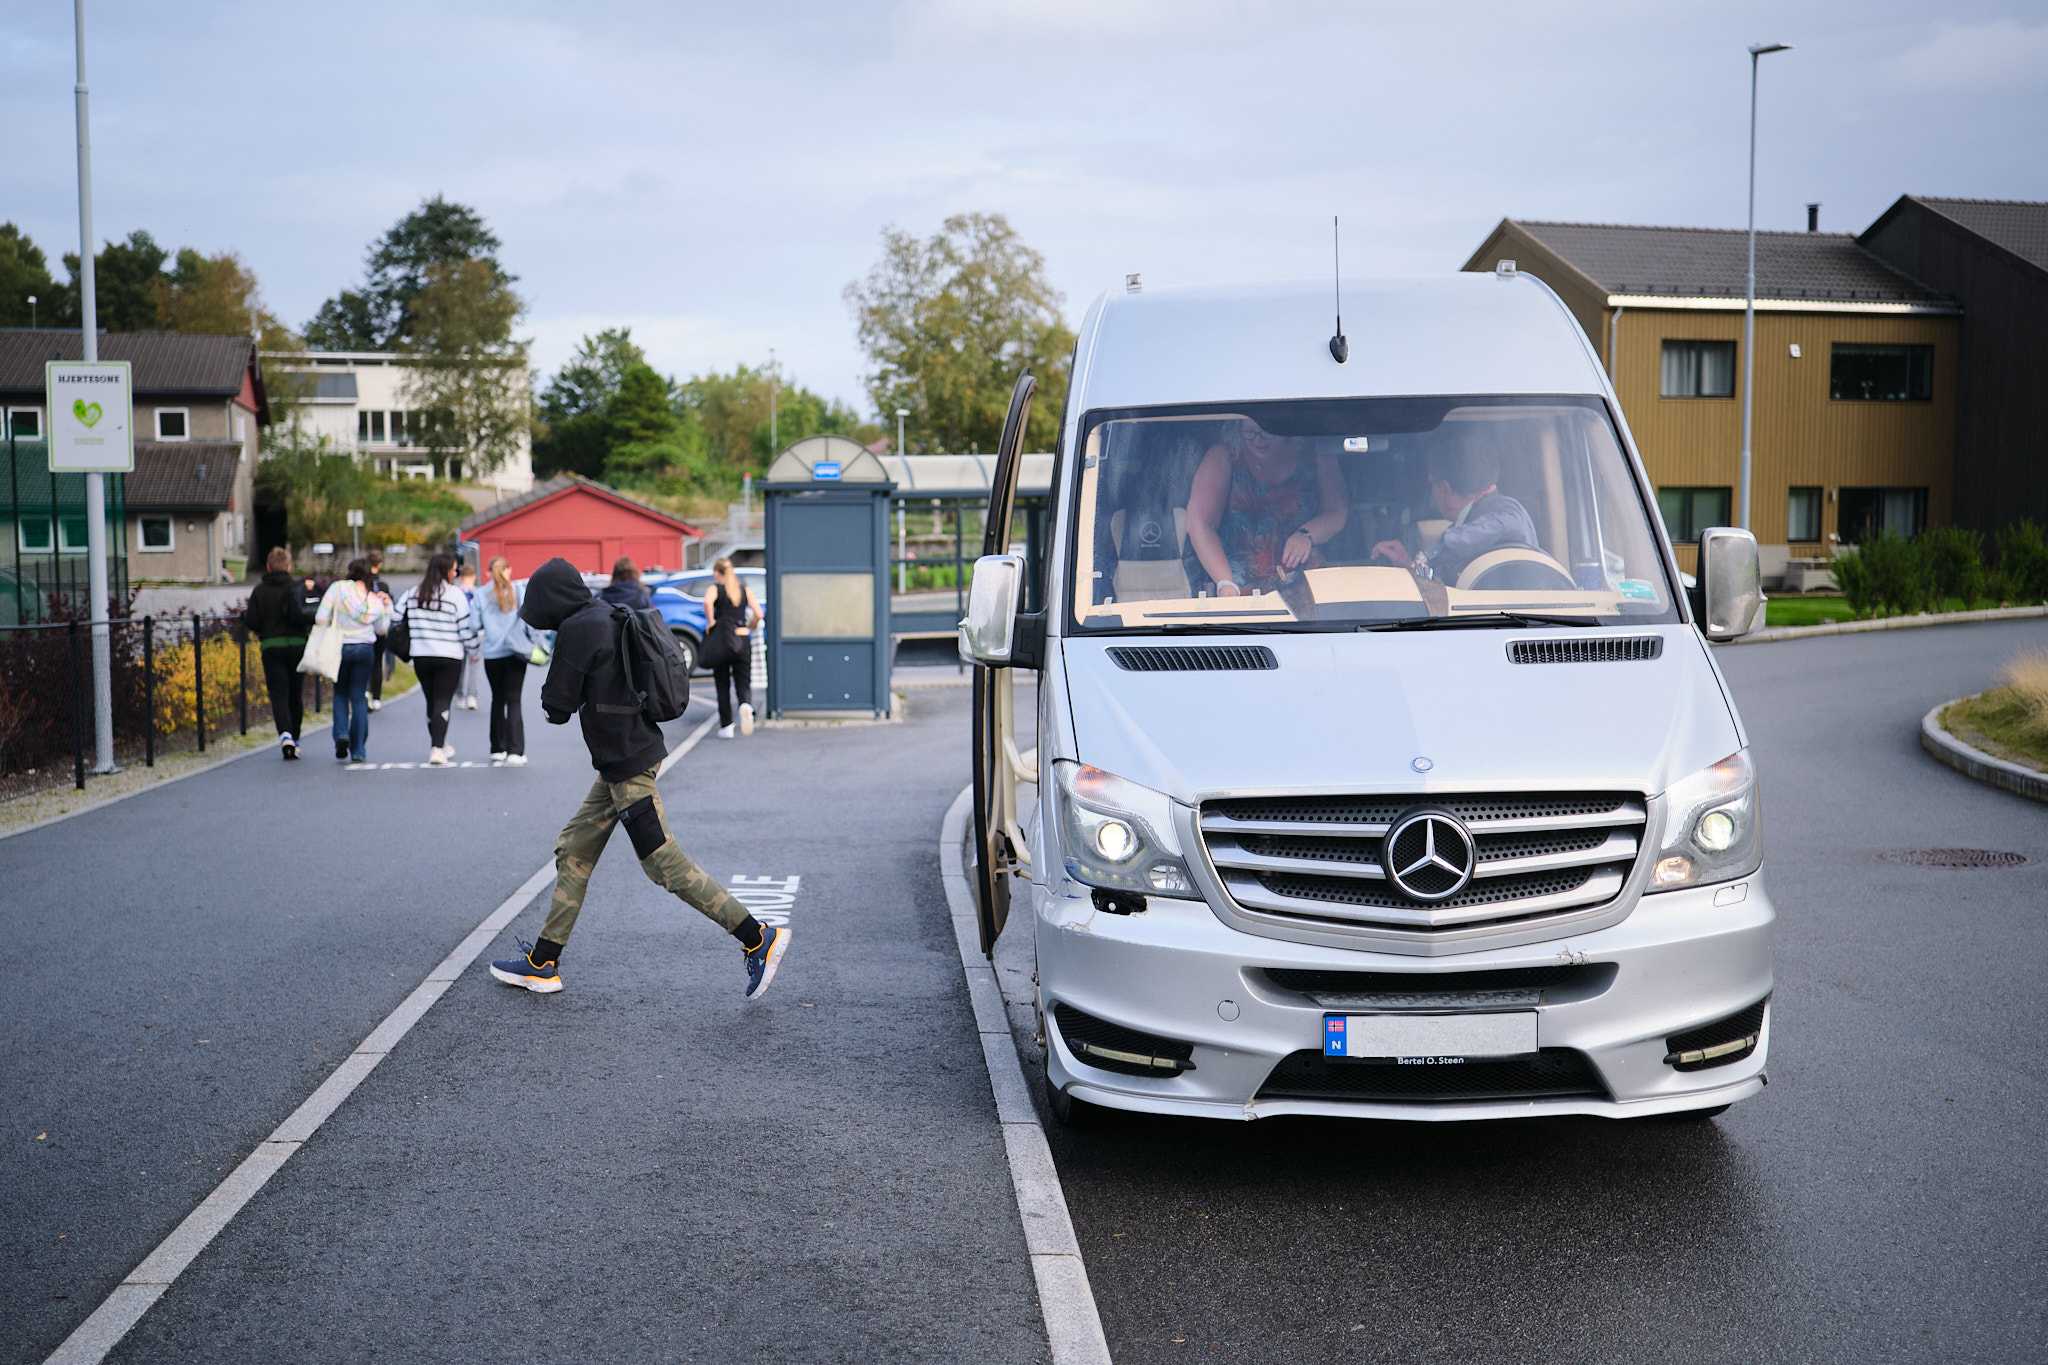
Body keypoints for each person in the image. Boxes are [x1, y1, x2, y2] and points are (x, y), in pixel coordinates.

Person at [489, 556, 787, 999]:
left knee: (664, 864)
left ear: (550, 600)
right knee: (574, 847)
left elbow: (556, 707)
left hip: (627, 767)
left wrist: (558, 668)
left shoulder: (577, 629)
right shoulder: (607, 614)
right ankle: (544, 962)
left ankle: (757, 938)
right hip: (625, 759)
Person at [1184, 417, 1348, 596]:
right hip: (1236, 585)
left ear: (1287, 432)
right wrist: (1225, 583)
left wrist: (1306, 535)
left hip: (1305, 584)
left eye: (1266, 433)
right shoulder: (1226, 455)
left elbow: (1336, 511)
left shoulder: (1315, 455)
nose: (1257, 440)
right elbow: (1200, 523)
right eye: (1249, 433)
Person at [1371, 445, 1539, 584]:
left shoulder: (1506, 510)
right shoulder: (1470, 522)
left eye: (1432, 484)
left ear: (1444, 489)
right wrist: (1408, 565)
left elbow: (1505, 524)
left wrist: (1429, 555)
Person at [394, 552, 481, 767]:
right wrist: (474, 648)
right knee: (443, 701)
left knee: (431, 700)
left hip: (421, 654)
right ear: (446, 571)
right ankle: (437, 748)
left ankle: (439, 742)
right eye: (453, 569)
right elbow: (464, 628)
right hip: (449, 655)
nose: (455, 573)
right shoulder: (455, 595)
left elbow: (395, 619)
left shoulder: (412, 593)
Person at [316, 559, 392, 764]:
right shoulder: (373, 599)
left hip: (340, 646)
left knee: (340, 693)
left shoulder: (337, 589)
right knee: (358, 697)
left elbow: (320, 617)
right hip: (365, 648)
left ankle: (341, 733)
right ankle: (358, 749)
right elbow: (381, 629)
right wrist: (388, 607)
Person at [243, 546, 312, 760]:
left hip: (272, 647)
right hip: (298, 646)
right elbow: (305, 615)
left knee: (279, 694)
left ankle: (285, 735)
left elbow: (253, 621)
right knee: (295, 694)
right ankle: (297, 739)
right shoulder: (296, 588)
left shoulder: (259, 591)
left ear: (268, 566)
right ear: (289, 566)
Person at [473, 555, 538, 766]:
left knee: (497, 699)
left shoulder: (480, 594)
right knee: (514, 700)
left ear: (490, 572)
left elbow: (474, 625)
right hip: (515, 653)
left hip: (492, 655)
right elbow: (529, 621)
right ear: (508, 570)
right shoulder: (519, 591)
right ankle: (516, 751)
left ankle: (497, 748)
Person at [702, 557, 761, 739]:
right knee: (743, 679)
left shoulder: (715, 589)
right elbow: (759, 613)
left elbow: (706, 602)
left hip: (722, 640)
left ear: (717, 573)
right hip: (742, 638)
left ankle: (727, 726)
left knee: (722, 683)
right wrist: (750, 626)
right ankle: (745, 704)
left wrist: (711, 622)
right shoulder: (744, 590)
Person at [365, 549, 394, 712]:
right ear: (380, 565)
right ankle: (376, 697)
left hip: (365, 628)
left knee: (366, 663)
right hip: (380, 629)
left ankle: (366, 692)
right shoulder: (382, 586)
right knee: (377, 662)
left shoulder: (363, 586)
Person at [455, 563, 484, 711]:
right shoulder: (456, 593)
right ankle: (460, 694)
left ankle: (471, 695)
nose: (468, 581)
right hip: (461, 634)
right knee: (460, 666)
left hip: (472, 633)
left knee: (473, 665)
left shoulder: (477, 594)